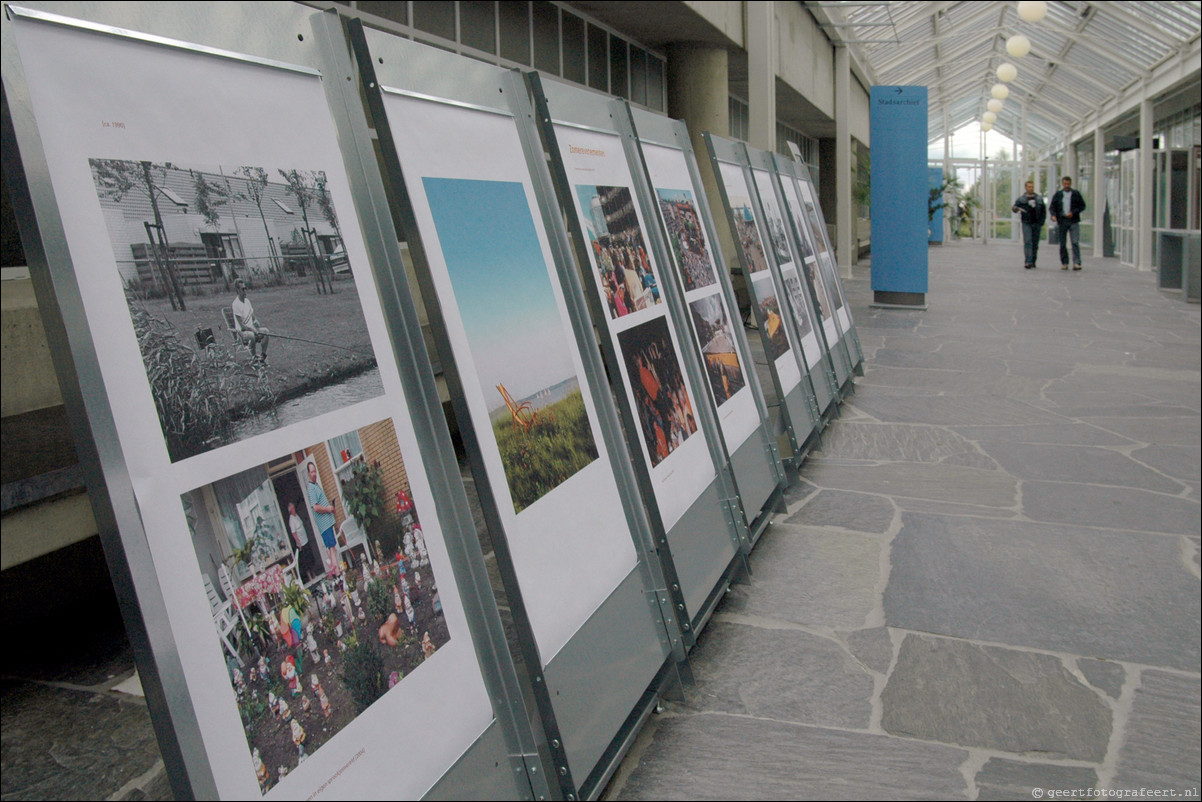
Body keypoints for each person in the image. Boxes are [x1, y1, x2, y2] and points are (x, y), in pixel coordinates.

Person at [305, 461, 339, 577]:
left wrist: (331, 509)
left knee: (331, 550)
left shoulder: (316, 485)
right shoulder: (311, 488)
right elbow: (315, 507)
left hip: (327, 523)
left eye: (315, 471)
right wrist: (328, 509)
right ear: (308, 473)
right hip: (324, 525)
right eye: (312, 472)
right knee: (332, 549)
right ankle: (338, 574)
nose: (314, 474)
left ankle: (336, 573)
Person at [1050, 176, 1087, 271]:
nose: (1066, 186)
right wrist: (1053, 215)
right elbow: (1052, 207)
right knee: (1062, 243)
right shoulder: (1058, 194)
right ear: (1062, 184)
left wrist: (1073, 212)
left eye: (1068, 184)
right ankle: (1064, 262)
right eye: (1065, 184)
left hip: (1073, 220)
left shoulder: (1076, 194)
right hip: (1062, 221)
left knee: (1075, 242)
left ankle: (1077, 262)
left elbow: (1082, 206)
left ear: (1070, 184)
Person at [231, 280, 270, 363]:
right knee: (251, 335)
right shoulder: (236, 304)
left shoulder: (247, 301)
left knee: (266, 331)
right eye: (243, 289)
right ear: (238, 290)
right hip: (241, 332)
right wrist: (254, 330)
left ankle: (263, 356)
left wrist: (256, 322)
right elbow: (242, 326)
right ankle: (254, 357)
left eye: (246, 288)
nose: (245, 291)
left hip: (252, 329)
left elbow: (252, 316)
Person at [1011, 180, 1047, 270]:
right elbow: (1014, 207)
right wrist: (1016, 209)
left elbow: (1043, 211)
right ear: (1025, 187)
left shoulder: (1039, 198)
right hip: (1026, 222)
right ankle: (1028, 261)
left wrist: (1041, 222)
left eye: (1032, 186)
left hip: (1037, 223)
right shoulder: (1021, 199)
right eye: (1029, 187)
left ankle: (1033, 260)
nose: (1030, 188)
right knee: (1027, 241)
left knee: (1035, 243)